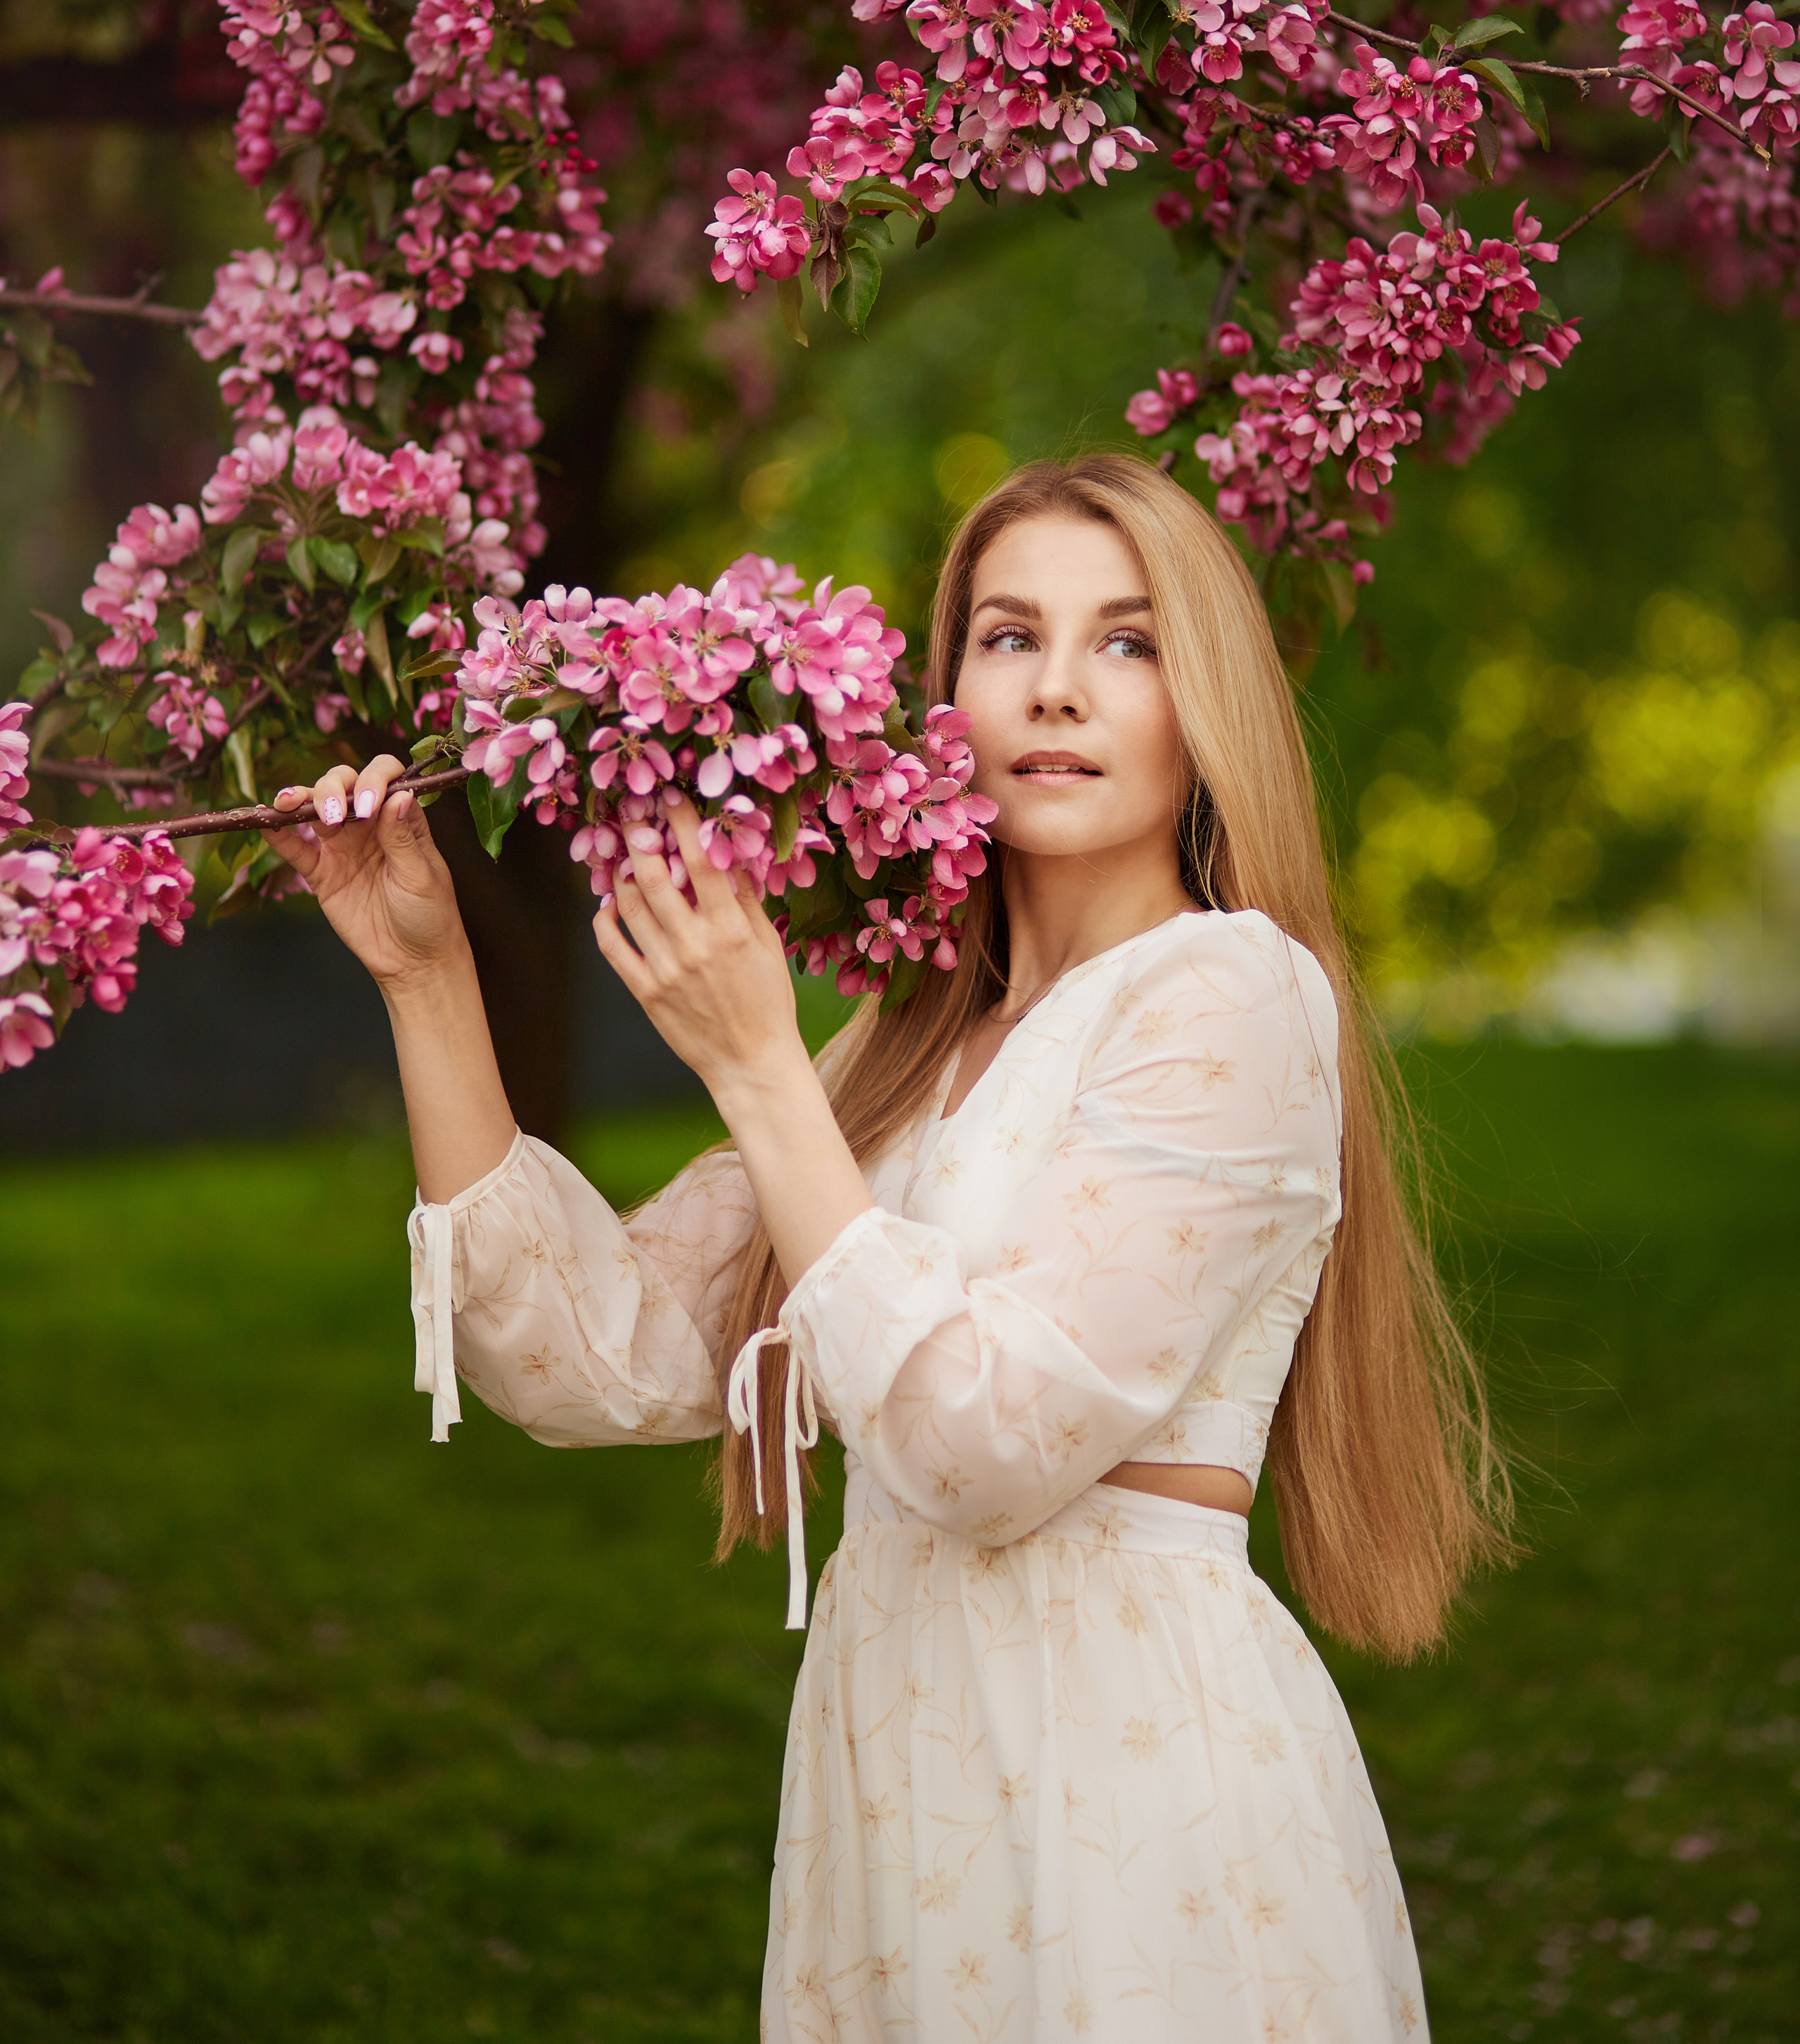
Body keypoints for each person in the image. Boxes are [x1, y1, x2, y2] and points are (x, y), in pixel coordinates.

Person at [271, 453, 1510, 2041]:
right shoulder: (902, 1045)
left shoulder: (1229, 994)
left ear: (1207, 706)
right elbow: (587, 1355)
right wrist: (425, 977)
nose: (1056, 688)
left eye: (1127, 642)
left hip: (1132, 1795)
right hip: (898, 1791)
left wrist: (754, 1066)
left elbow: (990, 1448)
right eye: (1010, 636)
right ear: (945, 699)